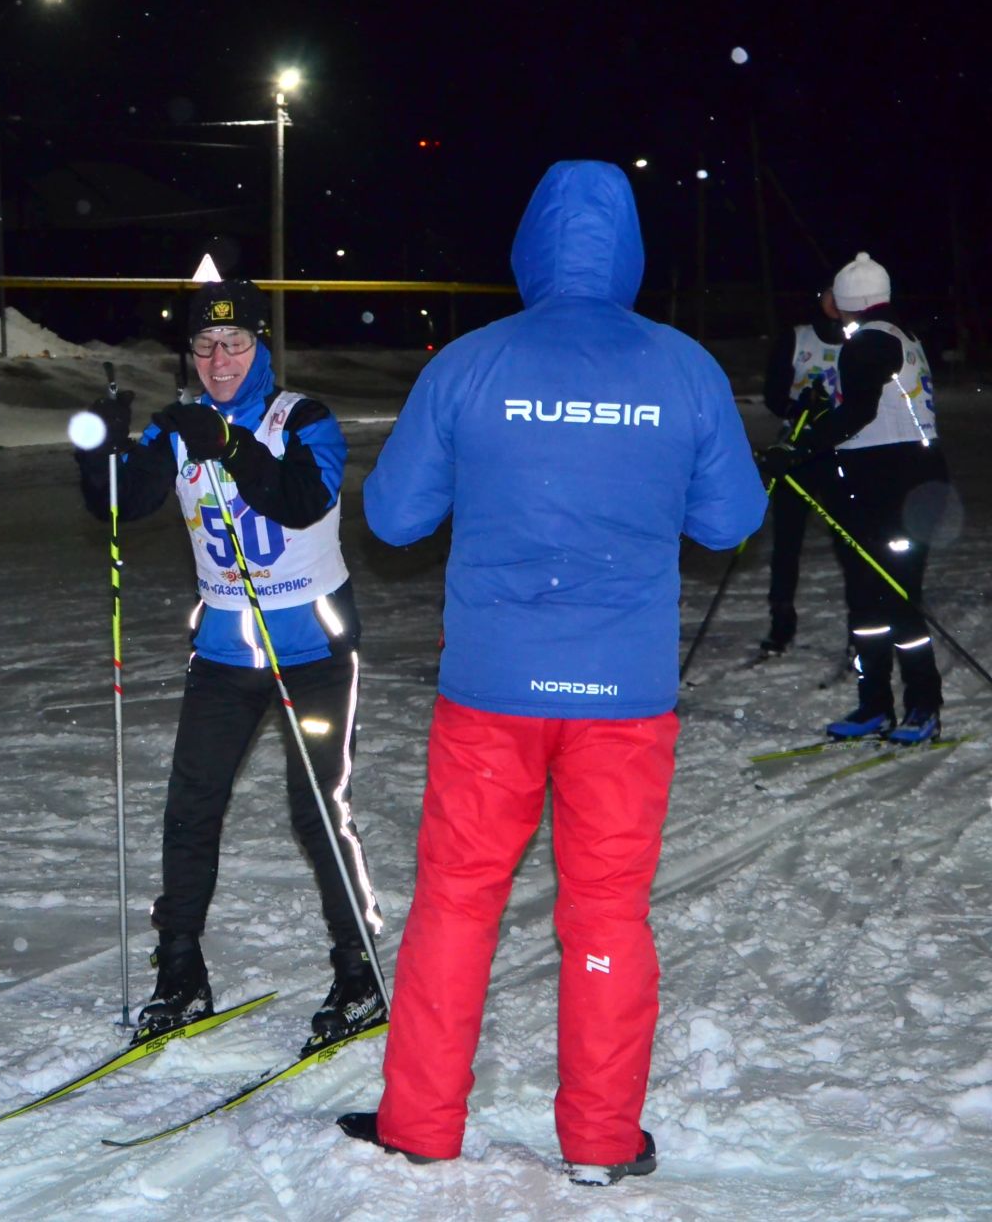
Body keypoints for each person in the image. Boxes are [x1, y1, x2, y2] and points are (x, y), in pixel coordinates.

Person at [337, 161, 766, 1185]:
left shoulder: (472, 364)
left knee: (457, 901)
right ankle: (603, 1143)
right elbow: (733, 519)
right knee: (608, 910)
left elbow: (394, 517)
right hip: (623, 700)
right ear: (629, 250)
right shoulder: (683, 367)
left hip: (491, 691)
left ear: (531, 244)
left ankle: (421, 1123)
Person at [73, 278, 385, 1051]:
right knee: (191, 808)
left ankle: (358, 972)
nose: (219, 360)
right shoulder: (177, 427)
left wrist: (233, 446)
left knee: (317, 813)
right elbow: (122, 503)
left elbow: (301, 500)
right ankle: (180, 970)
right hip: (223, 654)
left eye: (235, 344)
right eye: (204, 347)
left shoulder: (301, 418)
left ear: (261, 347)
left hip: (311, 651)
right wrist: (102, 450)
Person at [760, 252, 950, 743]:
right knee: (866, 600)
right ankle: (874, 705)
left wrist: (798, 449)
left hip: (901, 488)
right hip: (878, 485)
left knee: (898, 599)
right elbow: (865, 409)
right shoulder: (897, 337)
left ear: (848, 304)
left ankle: (923, 705)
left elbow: (860, 413)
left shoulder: (868, 342)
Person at [756, 289, 845, 654]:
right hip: (796, 453)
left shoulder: (862, 339)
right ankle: (781, 620)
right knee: (786, 542)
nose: (836, 302)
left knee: (849, 540)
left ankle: (864, 623)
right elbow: (773, 395)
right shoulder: (798, 337)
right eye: (830, 294)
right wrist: (798, 405)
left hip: (841, 454)